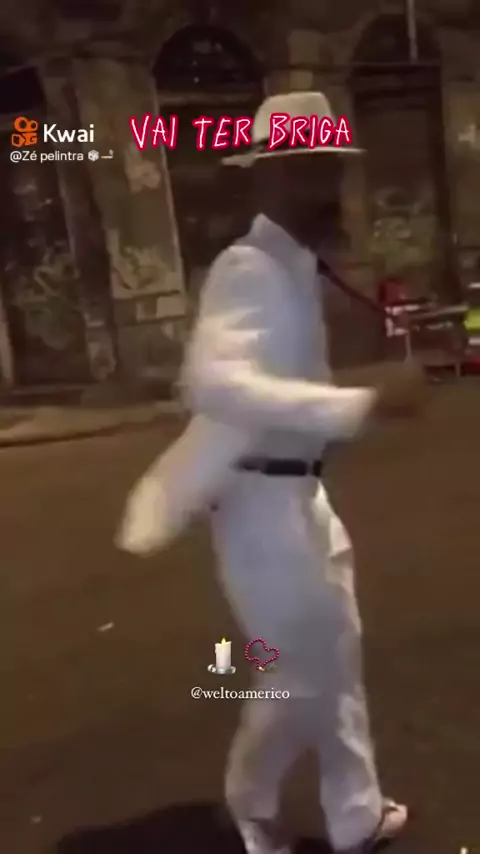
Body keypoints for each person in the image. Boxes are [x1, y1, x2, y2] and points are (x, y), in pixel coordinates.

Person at [117, 91, 426, 854]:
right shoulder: (246, 267)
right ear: (267, 177)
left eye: (328, 167)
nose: (326, 184)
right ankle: (249, 803)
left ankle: (356, 814)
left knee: (338, 654)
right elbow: (212, 381)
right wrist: (358, 405)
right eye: (306, 169)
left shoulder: (296, 265)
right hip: (260, 504)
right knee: (297, 674)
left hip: (300, 493)